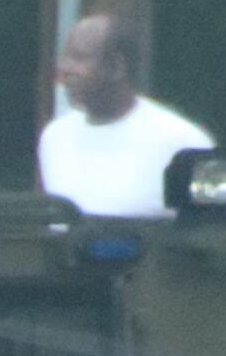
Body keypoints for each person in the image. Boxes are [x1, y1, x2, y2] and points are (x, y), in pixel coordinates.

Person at [37, 14, 212, 219]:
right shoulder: (55, 137)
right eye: (65, 57)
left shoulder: (184, 143)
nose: (64, 69)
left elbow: (220, 229)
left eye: (79, 58)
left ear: (116, 67)